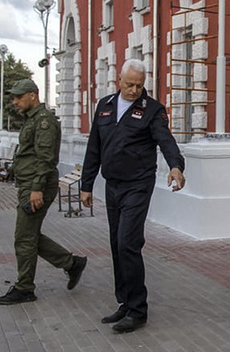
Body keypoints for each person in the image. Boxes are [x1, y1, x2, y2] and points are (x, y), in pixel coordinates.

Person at [80, 59, 186, 333]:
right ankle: (125, 303)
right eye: (129, 84)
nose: (134, 90)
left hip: (138, 185)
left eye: (139, 85)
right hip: (112, 184)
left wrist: (176, 166)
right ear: (119, 80)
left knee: (128, 242)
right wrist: (86, 184)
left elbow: (166, 141)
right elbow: (94, 148)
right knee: (117, 243)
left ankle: (138, 310)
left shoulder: (152, 110)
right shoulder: (104, 106)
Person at [0, 79, 87, 305]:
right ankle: (71, 264)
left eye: (18, 97)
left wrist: (36, 189)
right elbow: (29, 152)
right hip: (29, 183)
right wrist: (12, 170)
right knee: (29, 235)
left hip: (37, 187)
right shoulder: (33, 120)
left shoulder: (44, 121)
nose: (15, 101)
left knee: (24, 238)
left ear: (33, 96)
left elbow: (46, 158)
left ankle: (25, 287)